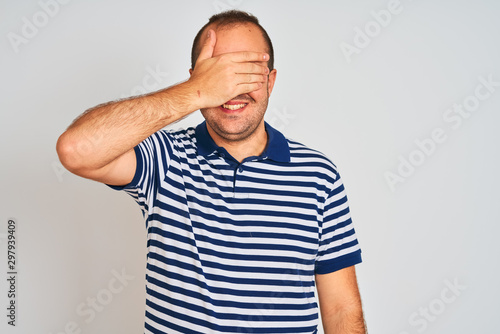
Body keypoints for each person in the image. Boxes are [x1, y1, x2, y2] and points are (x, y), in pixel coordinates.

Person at [56, 9, 367, 334]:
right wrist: (198, 91)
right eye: (218, 75)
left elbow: (342, 309)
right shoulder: (164, 158)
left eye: (247, 72)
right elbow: (77, 150)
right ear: (197, 78)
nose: (231, 90)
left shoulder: (319, 175)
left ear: (270, 80)